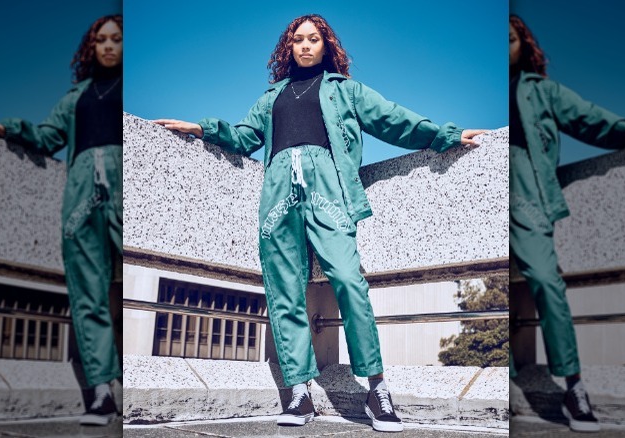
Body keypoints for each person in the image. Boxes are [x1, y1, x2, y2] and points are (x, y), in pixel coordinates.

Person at [154, 14, 486, 433]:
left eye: (314, 39)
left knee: (349, 279)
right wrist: (203, 128)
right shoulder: (271, 97)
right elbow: (243, 137)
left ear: (327, 46)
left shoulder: (344, 90)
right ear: (288, 47)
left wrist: (444, 135)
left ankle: (377, 388)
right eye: (298, 40)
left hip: (328, 188)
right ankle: (298, 392)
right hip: (278, 191)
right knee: (284, 290)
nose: (306, 45)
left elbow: (393, 119)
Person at [508, 14, 625, 433]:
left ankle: (573, 387)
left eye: (510, 39)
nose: (503, 47)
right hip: (485, 198)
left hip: (527, 200)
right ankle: (509, 384)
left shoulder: (542, 92)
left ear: (522, 45)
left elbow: (592, 119)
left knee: (548, 284)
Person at [0, 14, 124, 426]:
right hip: (82, 194)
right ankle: (101, 393)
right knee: (88, 292)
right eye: (100, 40)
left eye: (116, 39)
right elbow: (49, 136)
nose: (107, 46)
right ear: (91, 48)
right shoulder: (76, 97)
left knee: (132, 278)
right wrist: (4, 127)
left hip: (125, 185)